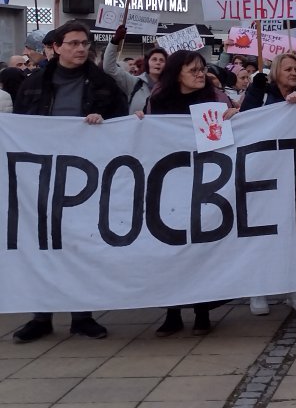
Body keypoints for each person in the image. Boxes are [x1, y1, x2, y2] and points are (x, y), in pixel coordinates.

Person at [11, 20, 127, 343]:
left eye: (84, 44)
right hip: (41, 177)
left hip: (86, 178)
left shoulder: (103, 84)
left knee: (81, 245)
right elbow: (20, 128)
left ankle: (82, 316)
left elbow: (122, 123)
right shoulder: (33, 85)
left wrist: (103, 124)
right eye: (73, 43)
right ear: (57, 47)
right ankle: (41, 316)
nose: (80, 49)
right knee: (41, 244)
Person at [141, 50, 237, 336]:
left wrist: (234, 117)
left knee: (203, 248)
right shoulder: (157, 102)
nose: (200, 74)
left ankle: (202, 310)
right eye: (193, 70)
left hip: (207, 183)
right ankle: (172, 312)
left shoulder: (215, 99)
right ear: (177, 73)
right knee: (171, 250)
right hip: (170, 184)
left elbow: (225, 137)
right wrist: (139, 122)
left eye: (202, 69)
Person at [238, 53, 296, 315]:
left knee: (293, 232)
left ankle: (294, 287)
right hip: (262, 172)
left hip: (293, 173)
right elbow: (246, 118)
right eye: (288, 69)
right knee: (262, 232)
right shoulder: (261, 91)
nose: (294, 73)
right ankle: (259, 289)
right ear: (277, 72)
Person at [104, 26, 166, 114]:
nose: (158, 63)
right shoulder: (134, 83)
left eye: (162, 60)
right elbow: (109, 68)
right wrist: (115, 41)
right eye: (154, 59)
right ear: (147, 63)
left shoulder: (170, 87)